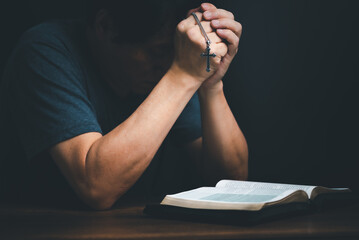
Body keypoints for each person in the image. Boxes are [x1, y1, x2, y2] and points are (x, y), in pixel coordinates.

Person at [0, 1, 248, 210]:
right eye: (157, 51)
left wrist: (210, 82)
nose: (166, 63)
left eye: (177, 53)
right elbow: (96, 186)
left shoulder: (167, 68)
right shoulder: (44, 52)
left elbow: (229, 182)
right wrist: (183, 74)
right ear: (104, 26)